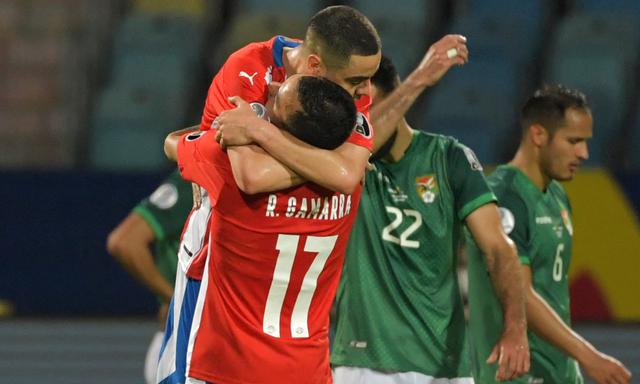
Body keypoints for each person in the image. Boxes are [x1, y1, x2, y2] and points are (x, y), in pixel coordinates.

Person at [329, 56, 530, 383]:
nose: (355, 119)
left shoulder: (449, 158)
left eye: (360, 103)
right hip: (363, 363)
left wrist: (516, 328)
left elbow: (498, 249)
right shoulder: (341, 165)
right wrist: (420, 78)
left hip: (444, 367)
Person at [164, 74, 357, 384]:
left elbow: (173, 144)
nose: (271, 89)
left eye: (278, 100)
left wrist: (247, 124)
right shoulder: (350, 185)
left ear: (285, 128)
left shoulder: (227, 169)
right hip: (306, 371)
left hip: (228, 368)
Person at [465, 84, 632, 384]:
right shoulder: (504, 195)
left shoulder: (557, 196)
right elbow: (521, 292)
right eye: (574, 141)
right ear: (538, 135)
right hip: (514, 372)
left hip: (559, 371)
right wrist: (588, 355)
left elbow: (551, 291)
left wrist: (571, 364)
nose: (584, 153)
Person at [106, 171, 193, 384]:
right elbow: (124, 242)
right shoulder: (191, 181)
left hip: (193, 344)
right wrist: (175, 300)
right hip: (182, 348)